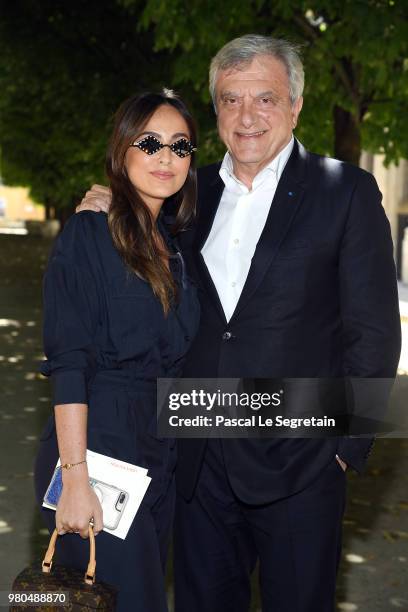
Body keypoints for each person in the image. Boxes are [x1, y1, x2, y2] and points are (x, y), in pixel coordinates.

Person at [77, 35, 401, 612]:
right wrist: (111, 206)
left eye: (266, 99)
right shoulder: (183, 192)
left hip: (302, 461)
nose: (247, 116)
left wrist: (346, 447)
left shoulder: (344, 191)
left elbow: (373, 330)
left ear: (296, 106)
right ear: (216, 108)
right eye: (231, 100)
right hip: (197, 460)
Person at [34, 90, 200, 611]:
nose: (166, 157)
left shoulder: (172, 249)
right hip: (98, 450)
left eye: (180, 146)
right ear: (122, 150)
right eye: (149, 143)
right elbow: (69, 364)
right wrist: (76, 478)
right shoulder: (89, 232)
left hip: (159, 454)